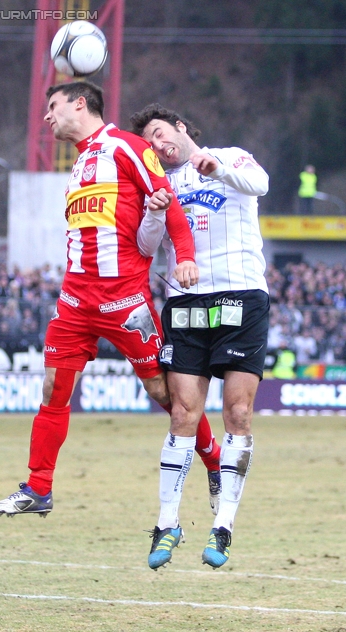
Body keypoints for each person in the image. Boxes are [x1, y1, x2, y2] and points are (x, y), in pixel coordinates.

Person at [0, 81, 221, 518]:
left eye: (52, 106)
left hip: (125, 300)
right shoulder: (78, 165)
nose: (46, 116)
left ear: (80, 103)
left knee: (166, 395)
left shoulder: (124, 146)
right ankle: (39, 488)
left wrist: (185, 257)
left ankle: (215, 463)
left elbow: (167, 204)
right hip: (74, 299)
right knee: (54, 386)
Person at [130, 104, 270, 569]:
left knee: (238, 411)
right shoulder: (162, 185)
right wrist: (153, 213)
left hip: (241, 297)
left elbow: (261, 185)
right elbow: (147, 247)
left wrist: (221, 168)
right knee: (183, 413)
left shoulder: (230, 155)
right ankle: (167, 524)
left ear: (180, 128)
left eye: (160, 132)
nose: (158, 144)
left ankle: (223, 526)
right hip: (186, 303)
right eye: (149, 141)